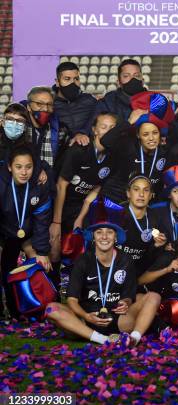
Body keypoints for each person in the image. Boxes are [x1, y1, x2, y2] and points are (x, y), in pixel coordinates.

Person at [45, 198, 161, 346]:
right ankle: (102, 339)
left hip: (119, 321)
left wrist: (125, 302)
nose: (104, 237)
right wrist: (86, 316)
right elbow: (72, 300)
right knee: (51, 308)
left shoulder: (126, 260)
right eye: (99, 232)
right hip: (86, 320)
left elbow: (128, 297)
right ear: (93, 236)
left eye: (109, 232)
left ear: (116, 236)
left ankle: (133, 339)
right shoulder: (83, 260)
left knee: (154, 297)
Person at [50, 112, 117, 280]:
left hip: (83, 206)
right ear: (94, 130)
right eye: (103, 127)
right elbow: (61, 185)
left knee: (81, 245)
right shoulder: (79, 149)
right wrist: (56, 222)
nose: (108, 132)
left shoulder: (113, 156)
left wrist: (80, 217)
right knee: (56, 245)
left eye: (112, 128)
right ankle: (54, 286)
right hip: (60, 202)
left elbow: (95, 189)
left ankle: (76, 286)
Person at [0, 145, 53, 318]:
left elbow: (42, 221)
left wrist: (42, 252)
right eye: (18, 167)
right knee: (6, 265)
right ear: (9, 167)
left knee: (40, 262)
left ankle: (39, 308)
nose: (24, 172)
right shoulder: (2, 185)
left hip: (27, 233)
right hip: (5, 234)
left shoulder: (40, 184)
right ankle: (9, 310)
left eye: (28, 167)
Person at [52, 61, 97, 142]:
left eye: (76, 79)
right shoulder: (49, 104)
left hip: (86, 147)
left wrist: (83, 133)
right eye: (67, 79)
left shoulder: (89, 100)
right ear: (57, 82)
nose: (73, 83)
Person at [25, 86, 69, 169]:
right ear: (28, 107)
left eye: (49, 104)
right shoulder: (19, 128)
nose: (45, 109)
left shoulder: (61, 131)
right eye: (39, 104)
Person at [92, 58, 147, 123]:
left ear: (143, 81)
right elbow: (99, 130)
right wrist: (129, 123)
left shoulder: (155, 100)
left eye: (137, 75)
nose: (132, 79)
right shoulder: (107, 103)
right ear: (118, 83)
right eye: (126, 76)